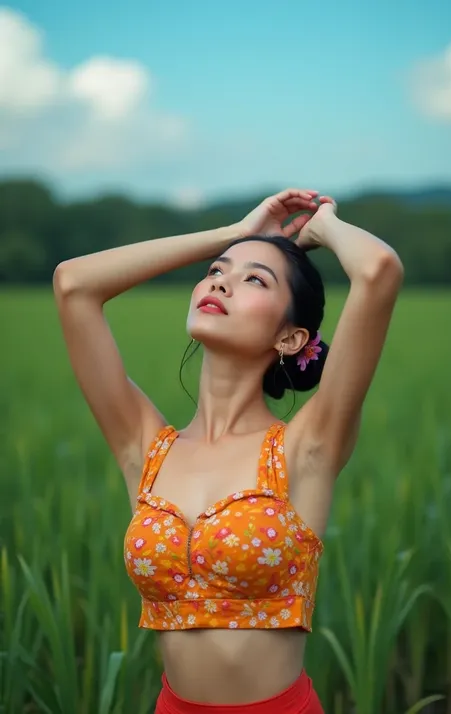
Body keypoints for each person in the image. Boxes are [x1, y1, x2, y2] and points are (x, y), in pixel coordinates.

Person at [53, 188, 404, 714]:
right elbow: (73, 284)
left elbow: (378, 270)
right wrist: (235, 233)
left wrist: (324, 225)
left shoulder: (306, 448)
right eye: (217, 271)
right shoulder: (146, 447)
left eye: (254, 280)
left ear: (290, 338)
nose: (221, 280)